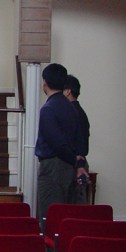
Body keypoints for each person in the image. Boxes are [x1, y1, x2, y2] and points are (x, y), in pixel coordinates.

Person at [35, 63, 80, 221]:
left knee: (50, 215)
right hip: (68, 166)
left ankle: (50, 239)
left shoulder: (48, 109)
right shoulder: (71, 107)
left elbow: (56, 143)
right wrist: (75, 160)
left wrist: (71, 159)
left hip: (52, 166)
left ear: (45, 83)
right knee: (65, 214)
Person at [64, 74, 91, 204]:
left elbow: (80, 142)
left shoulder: (72, 112)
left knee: (73, 204)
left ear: (68, 91)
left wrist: (79, 164)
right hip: (78, 162)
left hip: (75, 164)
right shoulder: (79, 111)